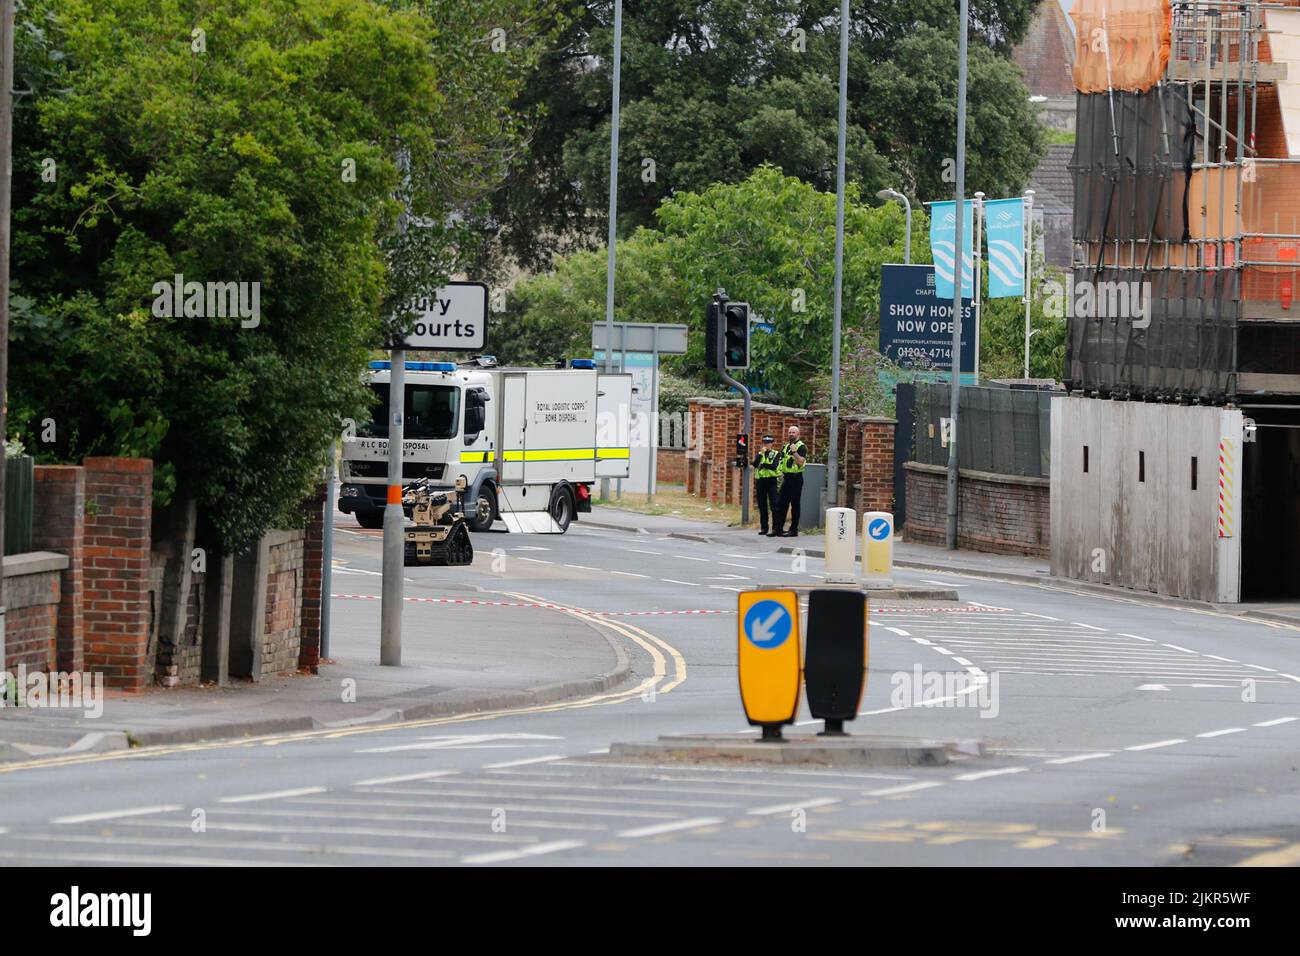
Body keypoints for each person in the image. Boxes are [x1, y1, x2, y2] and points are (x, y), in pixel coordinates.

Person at [769, 425, 808, 537]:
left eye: (793, 432)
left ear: (798, 434)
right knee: (781, 504)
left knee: (795, 505)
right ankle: (778, 529)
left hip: (796, 478)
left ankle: (793, 530)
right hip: (786, 478)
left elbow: (800, 462)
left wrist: (795, 452)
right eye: (790, 432)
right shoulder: (786, 446)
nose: (791, 434)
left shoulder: (801, 447)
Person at [752, 434, 780, 536]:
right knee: (762, 505)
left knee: (774, 505)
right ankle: (764, 527)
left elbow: (774, 466)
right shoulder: (760, 454)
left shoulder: (776, 454)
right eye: (765, 443)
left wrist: (763, 465)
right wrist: (760, 455)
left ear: (772, 444)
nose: (766, 445)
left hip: (771, 481)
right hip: (760, 481)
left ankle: (775, 528)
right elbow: (754, 464)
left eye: (768, 443)